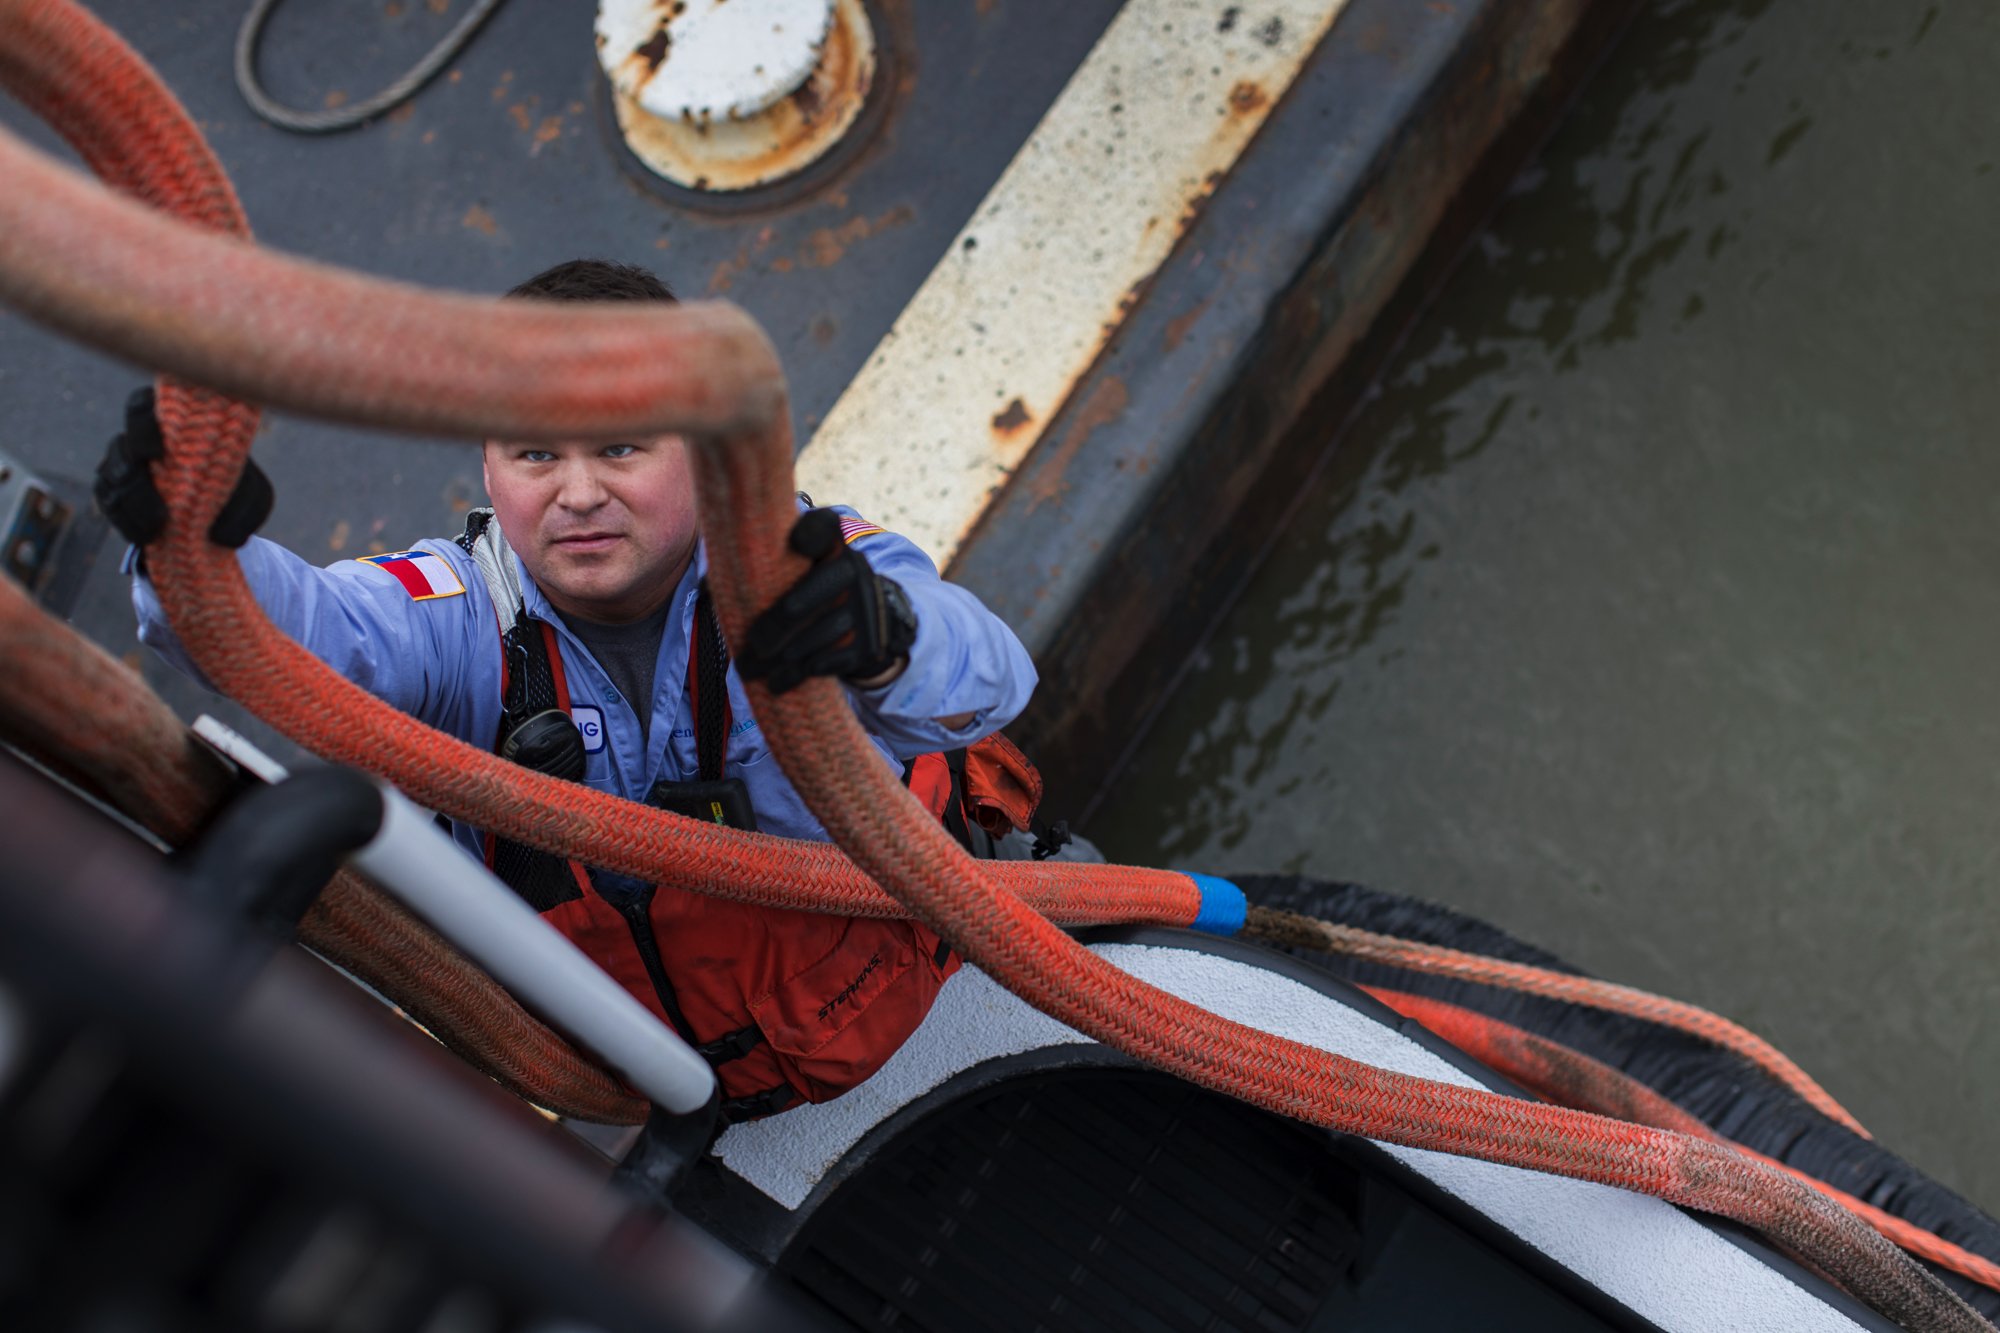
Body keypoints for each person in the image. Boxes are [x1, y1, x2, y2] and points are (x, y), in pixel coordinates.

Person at [102, 259, 1040, 1121]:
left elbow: (989, 680)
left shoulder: (808, 571)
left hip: (934, 1005)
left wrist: (883, 641)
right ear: (486, 464)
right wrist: (190, 542)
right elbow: (296, 632)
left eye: (622, 448)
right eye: (536, 455)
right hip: (664, 1107)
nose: (578, 493)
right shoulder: (457, 616)